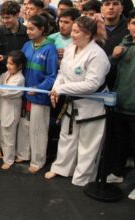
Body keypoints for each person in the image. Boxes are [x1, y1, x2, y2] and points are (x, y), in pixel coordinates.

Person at [45, 16, 110, 186]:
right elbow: (62, 73)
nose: (71, 34)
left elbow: (91, 85)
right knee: (66, 137)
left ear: (88, 34)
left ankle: (82, 178)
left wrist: (62, 90)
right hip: (71, 103)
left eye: (76, 31)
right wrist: (56, 88)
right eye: (72, 30)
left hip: (92, 106)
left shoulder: (97, 55)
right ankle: (60, 168)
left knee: (88, 144)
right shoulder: (69, 49)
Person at [18, 14, 58, 174]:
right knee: (24, 126)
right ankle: (24, 154)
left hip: (40, 97)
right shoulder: (27, 45)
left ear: (42, 30)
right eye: (27, 28)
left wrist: (39, 88)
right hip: (24, 94)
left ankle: (38, 160)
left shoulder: (50, 48)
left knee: (38, 129)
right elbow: (18, 63)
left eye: (32, 29)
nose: (28, 31)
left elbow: (52, 75)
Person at [107, 10, 135, 199]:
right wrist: (114, 57)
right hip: (121, 101)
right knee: (121, 141)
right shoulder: (124, 43)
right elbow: (109, 68)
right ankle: (117, 172)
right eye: (133, 23)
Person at [0, 50, 26, 170]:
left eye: (11, 64)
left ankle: (9, 160)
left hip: (11, 112)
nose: (8, 66)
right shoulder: (7, 74)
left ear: (19, 66)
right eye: (7, 63)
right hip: (4, 110)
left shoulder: (19, 79)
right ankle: (7, 156)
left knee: (9, 137)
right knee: (4, 136)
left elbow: (4, 92)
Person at [0, 0, 29, 74]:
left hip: (21, 73)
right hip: (2, 72)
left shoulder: (26, 32)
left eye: (7, 18)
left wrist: (5, 58)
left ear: (17, 15)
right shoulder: (0, 31)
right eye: (2, 18)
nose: (4, 21)